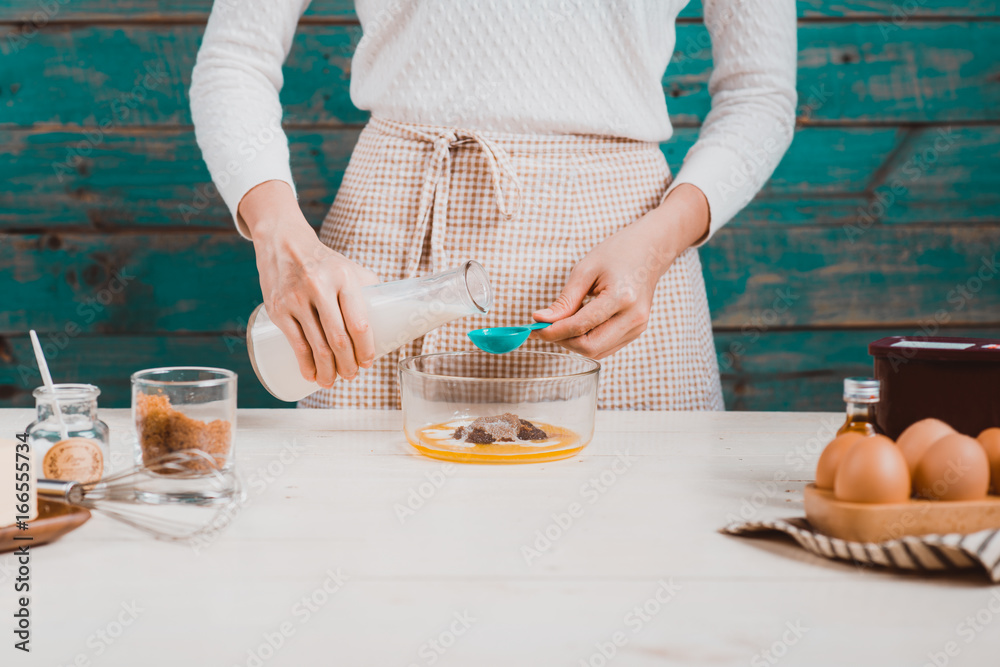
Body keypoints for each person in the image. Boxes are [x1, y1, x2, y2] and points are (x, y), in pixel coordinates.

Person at [190, 0, 797, 410]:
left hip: (629, 259)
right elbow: (234, 57)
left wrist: (662, 239)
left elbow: (760, 92)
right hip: (389, 252)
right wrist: (278, 234)